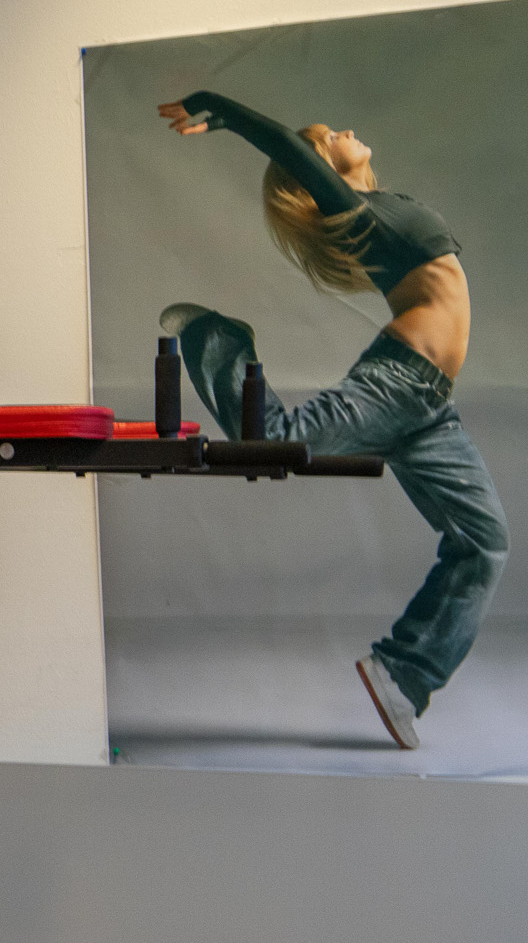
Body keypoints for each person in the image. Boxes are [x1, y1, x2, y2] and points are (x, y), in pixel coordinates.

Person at [157, 91, 508, 749]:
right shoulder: (355, 213)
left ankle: (402, 674)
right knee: (271, 442)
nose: (345, 130)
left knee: (485, 541)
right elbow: (286, 149)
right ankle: (216, 341)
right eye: (329, 137)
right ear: (317, 167)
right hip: (398, 382)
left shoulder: (377, 208)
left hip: (429, 405)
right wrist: (221, 109)